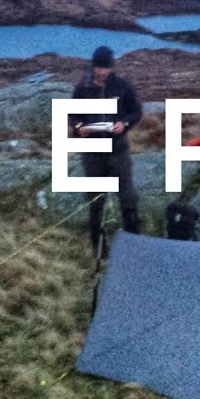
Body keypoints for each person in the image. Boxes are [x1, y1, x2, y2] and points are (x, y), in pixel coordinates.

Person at [72, 46, 142, 258]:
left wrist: (125, 124)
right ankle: (99, 250)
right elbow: (73, 116)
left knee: (128, 199)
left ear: (112, 67)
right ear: (93, 66)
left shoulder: (122, 87)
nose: (102, 72)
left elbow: (136, 111)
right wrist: (78, 129)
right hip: (92, 153)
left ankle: (134, 247)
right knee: (96, 201)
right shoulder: (82, 89)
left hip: (117, 150)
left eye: (106, 68)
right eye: (99, 68)